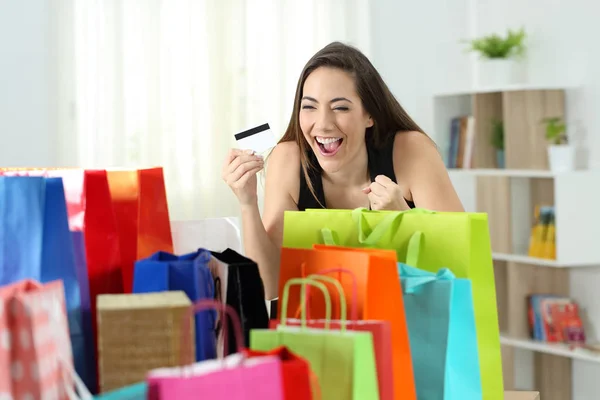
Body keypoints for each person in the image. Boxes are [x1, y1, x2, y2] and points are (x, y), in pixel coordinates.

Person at [222, 41, 464, 300]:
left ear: (369, 115)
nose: (323, 124)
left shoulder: (411, 151)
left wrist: (404, 221)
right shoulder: (288, 158)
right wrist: (248, 203)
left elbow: (460, 264)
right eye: (310, 106)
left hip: (408, 327)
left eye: (340, 107)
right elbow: (269, 287)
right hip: (325, 332)